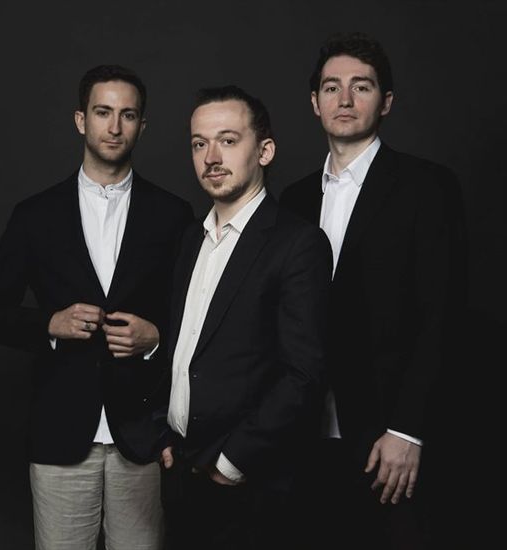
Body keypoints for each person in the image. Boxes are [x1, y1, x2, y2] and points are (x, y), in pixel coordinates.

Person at [0, 64, 193, 550]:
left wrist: (156, 339)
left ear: (142, 126)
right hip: (59, 433)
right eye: (103, 112)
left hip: (143, 436)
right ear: (80, 120)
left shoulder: (173, 215)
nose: (114, 127)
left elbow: (200, 319)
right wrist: (49, 323)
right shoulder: (35, 215)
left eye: (127, 115)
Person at [279, 32, 468, 549]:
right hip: (304, 438)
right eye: (331, 87)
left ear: (385, 102)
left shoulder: (427, 187)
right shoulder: (293, 200)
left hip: (388, 438)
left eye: (360, 86)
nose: (344, 99)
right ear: (314, 102)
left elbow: (442, 315)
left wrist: (408, 430)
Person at [158, 85, 333, 550]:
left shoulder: (298, 244)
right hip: (182, 472)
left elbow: (304, 374)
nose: (211, 157)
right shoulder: (190, 240)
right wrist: (164, 435)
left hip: (248, 483)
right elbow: (185, 348)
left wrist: (232, 462)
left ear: (265, 151)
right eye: (199, 143)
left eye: (228, 140)